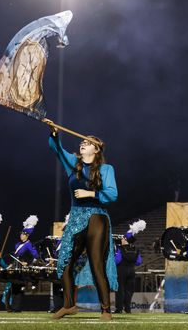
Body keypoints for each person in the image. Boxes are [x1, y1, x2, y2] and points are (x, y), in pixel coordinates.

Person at [45, 123, 119, 321]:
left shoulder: (106, 169)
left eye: (88, 143)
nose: (83, 144)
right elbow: (57, 149)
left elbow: (112, 194)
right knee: (65, 262)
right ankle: (69, 305)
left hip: (97, 217)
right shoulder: (73, 164)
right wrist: (54, 133)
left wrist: (91, 192)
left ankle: (105, 309)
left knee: (96, 263)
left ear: (96, 149)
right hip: (76, 217)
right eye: (82, 142)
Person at [9, 215, 40, 312]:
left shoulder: (29, 244)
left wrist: (28, 263)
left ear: (27, 235)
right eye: (21, 234)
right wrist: (11, 264)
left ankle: (17, 307)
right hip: (16, 267)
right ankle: (12, 306)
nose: (21, 236)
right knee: (14, 287)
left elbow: (35, 256)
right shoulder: (17, 244)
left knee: (19, 287)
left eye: (23, 234)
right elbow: (15, 256)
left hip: (23, 268)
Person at [115, 220, 145, 314]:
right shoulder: (135, 249)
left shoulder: (120, 248)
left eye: (123, 238)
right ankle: (127, 309)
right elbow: (138, 262)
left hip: (121, 270)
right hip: (131, 270)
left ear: (126, 240)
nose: (122, 239)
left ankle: (119, 309)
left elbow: (117, 260)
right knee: (129, 291)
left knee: (120, 290)